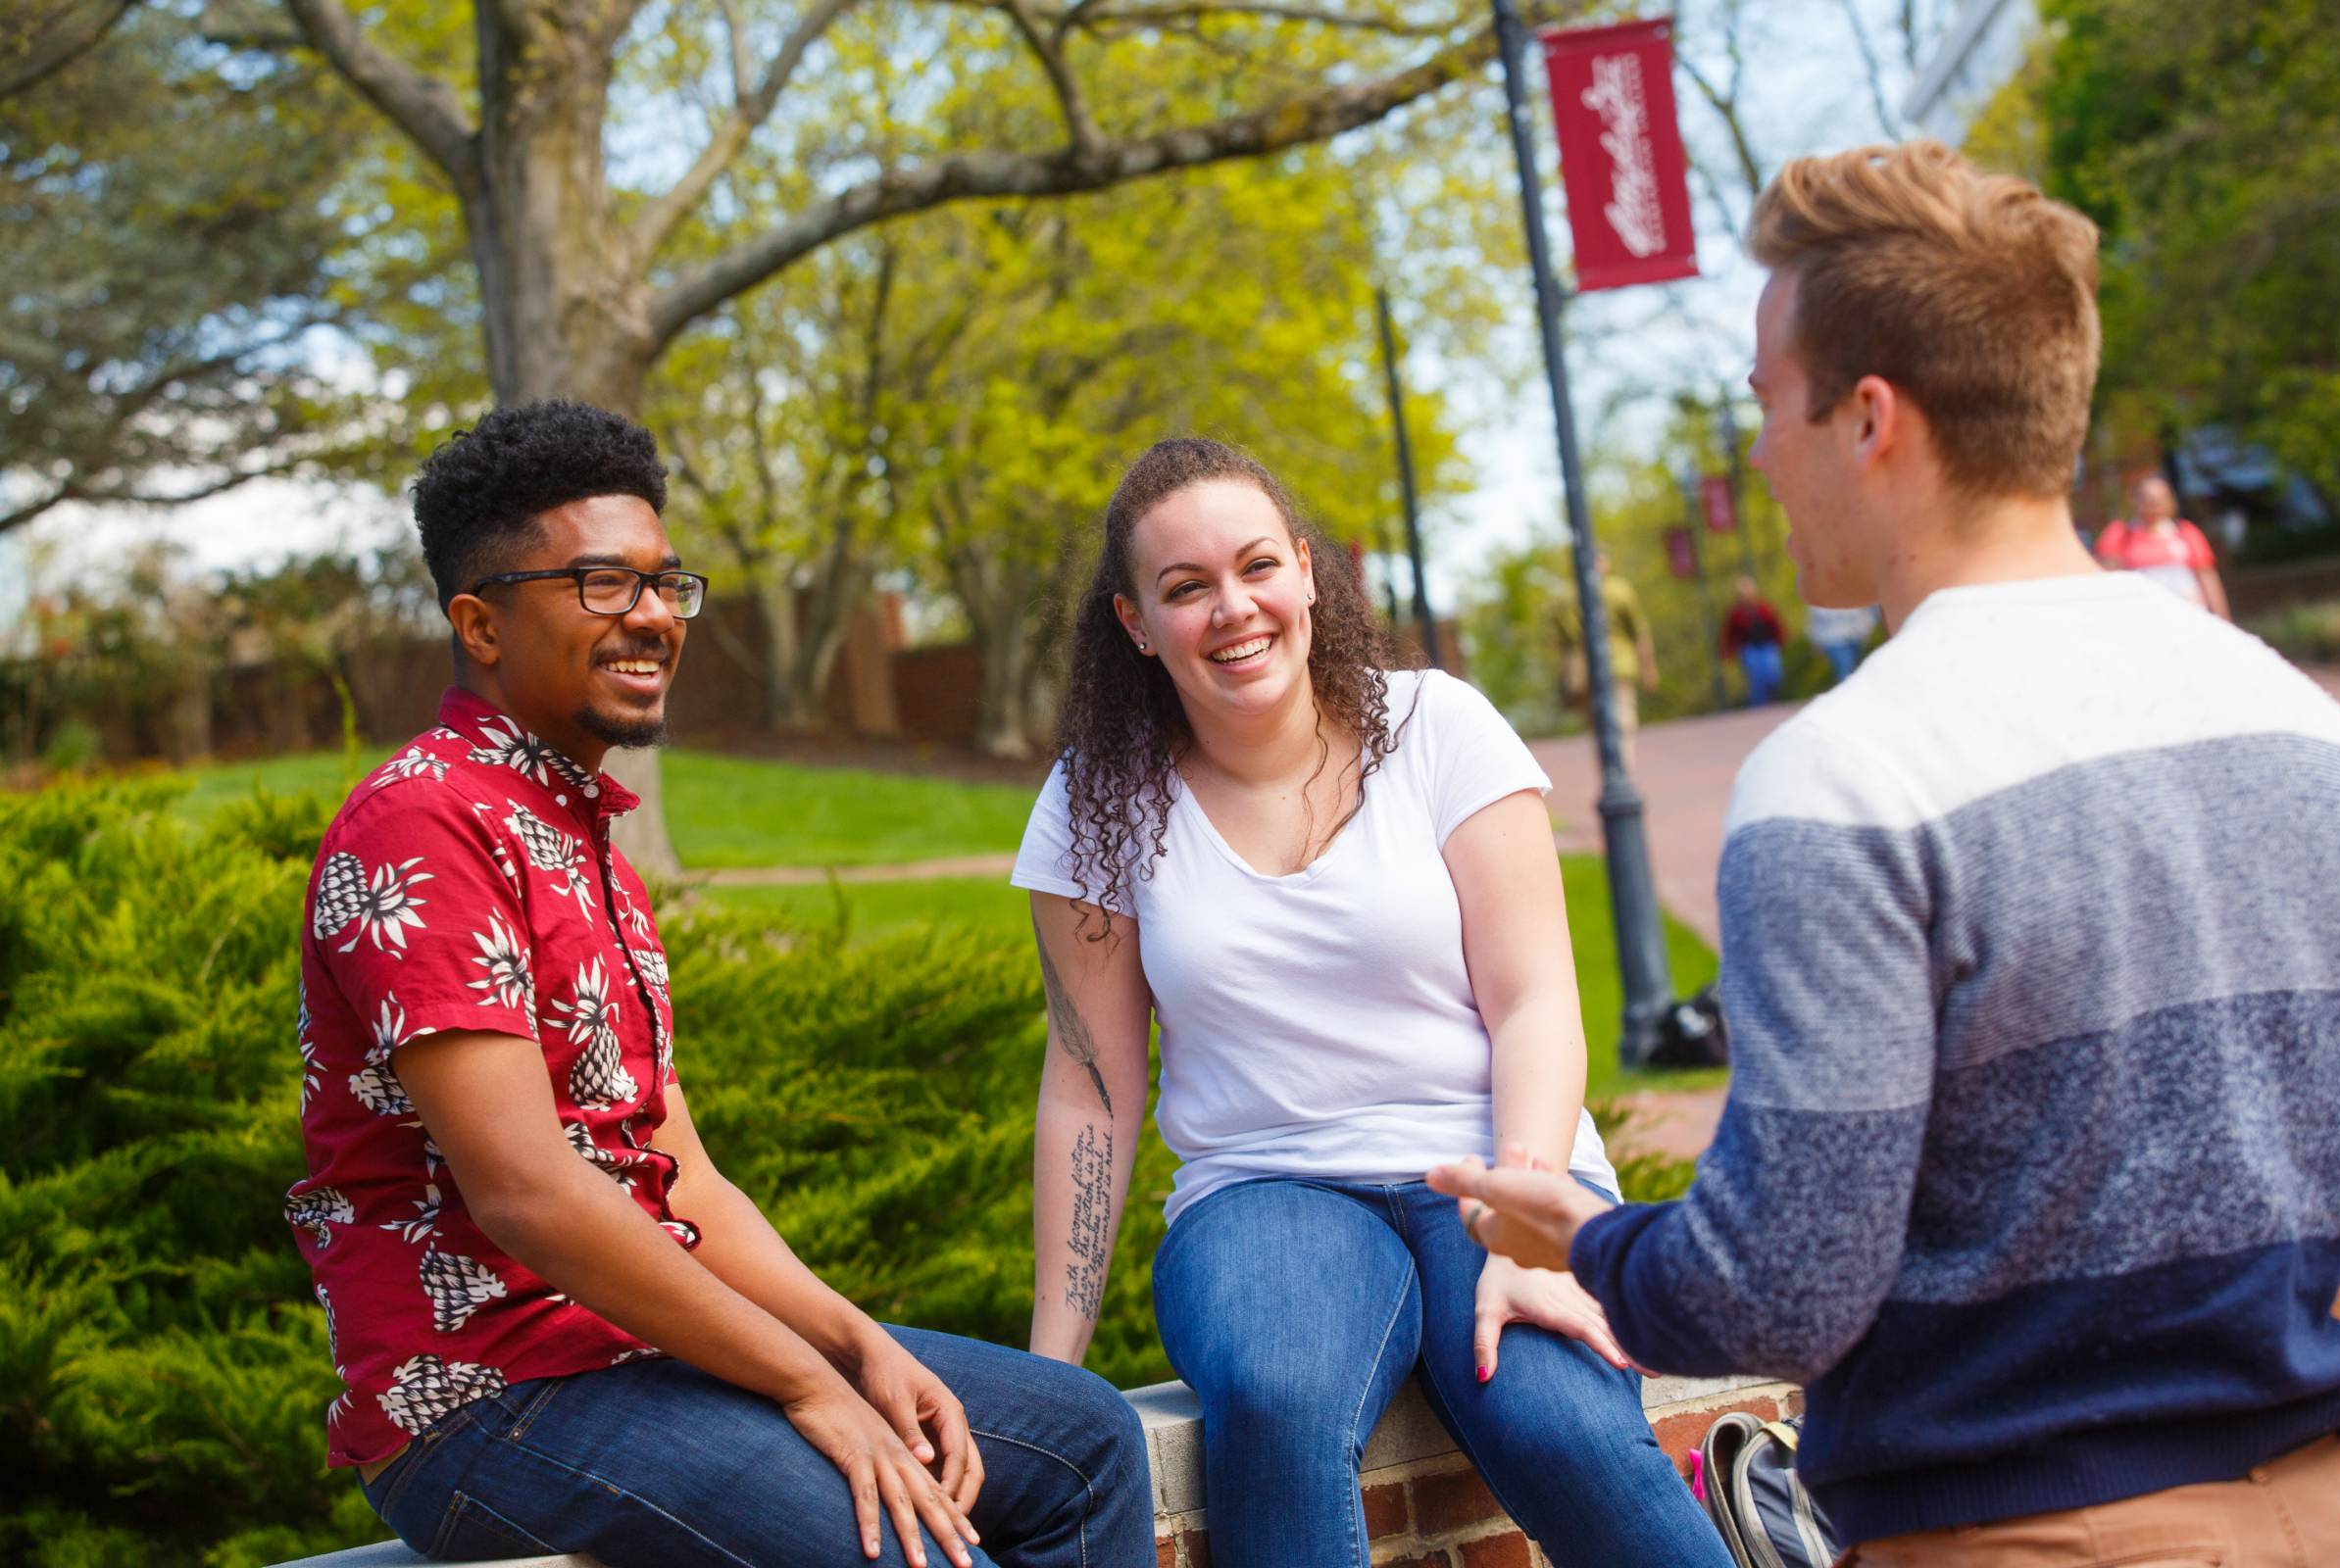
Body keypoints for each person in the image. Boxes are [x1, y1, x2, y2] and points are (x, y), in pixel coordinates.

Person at [1433, 143, 2340, 1566]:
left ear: (1869, 419)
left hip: (2034, 1526)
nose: (1757, 454)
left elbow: (1780, 1294)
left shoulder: (1843, 783)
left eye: (1765, 406)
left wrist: (1589, 1241)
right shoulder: (2299, 723)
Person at [285, 400, 1151, 1568]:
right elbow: (528, 1193)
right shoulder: (422, 828)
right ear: (480, 623)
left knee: (1085, 1438)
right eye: (603, 585)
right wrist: (808, 1383)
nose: (651, 616)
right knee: (908, 1547)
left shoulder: (585, 838)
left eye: (665, 582)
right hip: (484, 1398)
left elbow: (678, 1171)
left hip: (636, 1348)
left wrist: (854, 1343)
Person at [1013, 438, 1729, 1568]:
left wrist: (1533, 1216)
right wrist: (1051, 1369)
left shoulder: (1438, 728)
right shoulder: (1097, 801)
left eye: (1256, 567)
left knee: (1560, 1420)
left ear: (1305, 571)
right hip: (1263, 1192)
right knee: (1279, 1392)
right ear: (1136, 623)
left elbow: (1537, 997)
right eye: (1186, 587)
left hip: (1494, 1161)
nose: (1233, 608)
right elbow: (1091, 1084)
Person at [1559, 547, 1660, 762]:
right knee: (1623, 723)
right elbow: (1640, 632)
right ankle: (1622, 773)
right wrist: (1649, 668)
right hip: (1618, 665)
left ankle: (1611, 774)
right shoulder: (1619, 590)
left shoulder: (1569, 595)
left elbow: (1563, 641)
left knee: (1598, 727)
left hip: (1586, 673)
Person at [2095, 472, 2232, 617]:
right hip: (2141, 617)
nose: (2154, 505)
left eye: (2160, 499)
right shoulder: (2120, 534)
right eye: (2148, 499)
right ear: (2134, 500)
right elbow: (2107, 579)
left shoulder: (2185, 532)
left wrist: (2223, 617)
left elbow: (2207, 577)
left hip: (2188, 615)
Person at [1719, 575, 1784, 705]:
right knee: (1756, 680)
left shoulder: (1764, 608)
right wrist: (1727, 651)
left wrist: (1780, 640)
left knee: (1773, 675)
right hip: (1749, 648)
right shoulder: (1736, 613)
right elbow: (1730, 634)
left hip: (1767, 645)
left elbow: (1775, 624)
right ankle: (1758, 707)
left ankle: (1771, 700)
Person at [1805, 602, 1877, 683]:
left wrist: (1865, 630)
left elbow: (1863, 613)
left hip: (1854, 636)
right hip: (1834, 640)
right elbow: (1815, 621)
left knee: (1855, 670)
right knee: (1846, 669)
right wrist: (1815, 640)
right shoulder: (1819, 599)